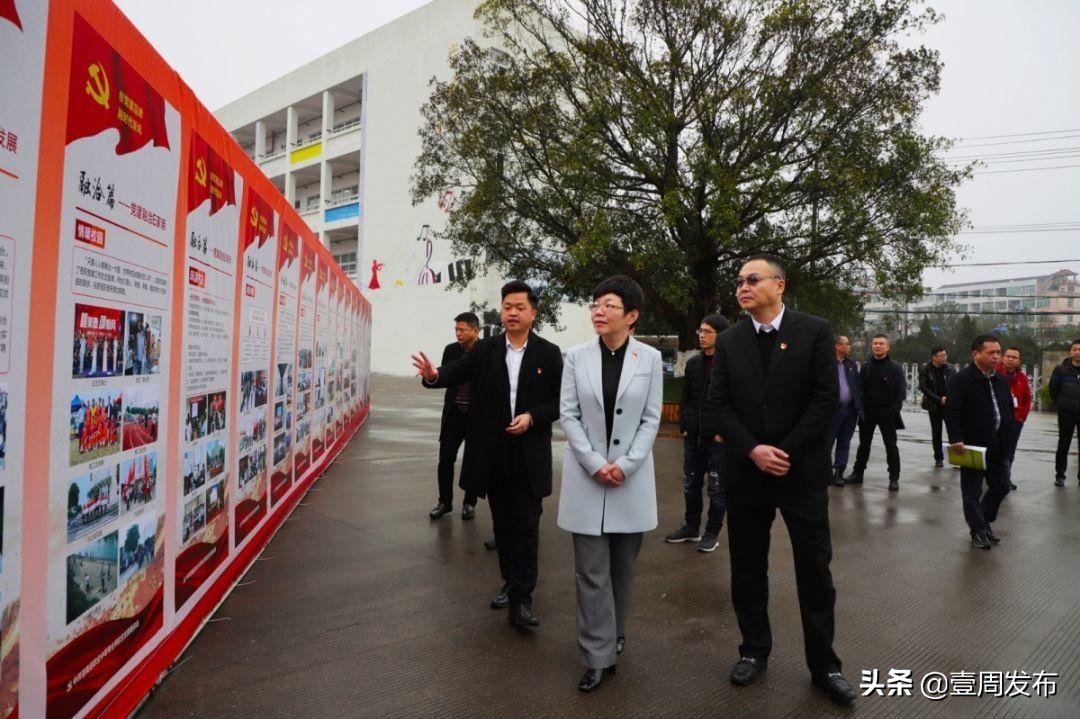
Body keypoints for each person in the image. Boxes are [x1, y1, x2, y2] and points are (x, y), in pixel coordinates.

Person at [706, 253, 854, 705]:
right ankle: (753, 650)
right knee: (748, 568)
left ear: (779, 286)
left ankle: (825, 665)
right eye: (738, 281)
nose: (742, 287)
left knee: (814, 570)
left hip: (799, 473)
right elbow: (719, 405)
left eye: (752, 279)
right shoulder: (730, 341)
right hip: (746, 473)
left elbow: (825, 398)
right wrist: (753, 449)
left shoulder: (814, 331)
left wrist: (785, 451)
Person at [412, 280, 563, 628]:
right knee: (503, 525)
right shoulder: (486, 350)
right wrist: (434, 375)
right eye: (507, 306)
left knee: (526, 526)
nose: (511, 312)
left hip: (529, 454)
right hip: (493, 455)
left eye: (519, 307)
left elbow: (560, 401)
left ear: (533, 313)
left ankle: (523, 598)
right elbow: (455, 373)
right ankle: (510, 582)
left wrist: (532, 417)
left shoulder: (548, 353)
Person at [557, 275, 662, 693]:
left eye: (609, 305)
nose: (598, 311)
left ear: (631, 316)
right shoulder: (575, 357)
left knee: (622, 568)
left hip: (630, 481)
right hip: (587, 478)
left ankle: (616, 632)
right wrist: (596, 463)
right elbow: (569, 415)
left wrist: (628, 464)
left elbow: (652, 417)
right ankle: (598, 654)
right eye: (595, 304)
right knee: (590, 572)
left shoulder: (650, 358)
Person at [664, 313, 729, 551]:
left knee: (717, 488)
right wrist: (684, 426)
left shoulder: (730, 364)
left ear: (720, 336)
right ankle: (691, 528)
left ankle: (712, 533)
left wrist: (724, 432)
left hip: (718, 440)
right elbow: (686, 399)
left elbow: (736, 402)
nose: (702, 336)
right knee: (690, 485)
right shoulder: (693, 364)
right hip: (694, 437)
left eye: (707, 332)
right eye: (700, 331)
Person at [944, 335, 1016, 549]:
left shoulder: (1000, 379)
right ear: (975, 354)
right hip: (972, 446)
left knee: (1002, 486)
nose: (996, 357)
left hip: (998, 444)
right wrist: (956, 438)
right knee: (972, 491)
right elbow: (952, 411)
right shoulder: (961, 380)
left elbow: (1007, 411)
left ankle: (983, 522)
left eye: (998, 352)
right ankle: (977, 530)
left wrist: (1009, 436)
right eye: (991, 353)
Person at [428, 312, 481, 520]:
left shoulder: (487, 350)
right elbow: (446, 376)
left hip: (476, 417)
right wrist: (433, 376)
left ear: (475, 330)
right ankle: (444, 502)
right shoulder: (451, 350)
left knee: (474, 461)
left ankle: (470, 502)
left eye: (463, 330)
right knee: (446, 459)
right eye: (456, 330)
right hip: (454, 414)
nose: (458, 333)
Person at [848, 334, 906, 491]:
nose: (878, 346)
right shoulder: (866, 367)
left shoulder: (895, 368)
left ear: (887, 347)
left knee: (891, 446)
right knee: (863, 445)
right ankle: (858, 473)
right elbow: (859, 390)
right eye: (875, 343)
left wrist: (893, 409)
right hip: (868, 411)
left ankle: (894, 477)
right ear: (872, 346)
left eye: (881, 344)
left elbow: (901, 393)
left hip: (887, 411)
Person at [825, 335, 863, 487]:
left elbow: (857, 387)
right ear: (837, 346)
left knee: (844, 442)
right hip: (832, 411)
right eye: (847, 344)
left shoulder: (851, 364)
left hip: (850, 411)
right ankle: (824, 472)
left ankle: (839, 472)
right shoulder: (826, 364)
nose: (850, 347)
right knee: (827, 442)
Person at [995, 347, 1031, 490]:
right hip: (997, 420)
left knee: (1010, 451)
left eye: (1014, 357)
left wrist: (1022, 416)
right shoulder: (994, 374)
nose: (1011, 359)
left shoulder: (1022, 377)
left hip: (1015, 420)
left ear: (1019, 361)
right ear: (1003, 358)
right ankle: (992, 477)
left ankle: (1005, 477)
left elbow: (1027, 399)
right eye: (1008, 356)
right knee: (995, 449)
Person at [1048, 339, 1080, 487]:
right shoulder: (1060, 369)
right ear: (1070, 351)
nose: (1077, 352)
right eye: (1075, 349)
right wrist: (1061, 403)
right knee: (1063, 444)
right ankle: (1060, 475)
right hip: (1066, 412)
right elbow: (1053, 390)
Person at [918, 346, 955, 468]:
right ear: (934, 357)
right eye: (942, 356)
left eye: (945, 355)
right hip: (934, 404)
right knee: (936, 432)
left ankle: (957, 458)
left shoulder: (950, 368)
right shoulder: (925, 369)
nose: (945, 357)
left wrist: (947, 398)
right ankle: (938, 458)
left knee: (953, 431)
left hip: (948, 404)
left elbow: (955, 384)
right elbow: (924, 388)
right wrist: (939, 400)